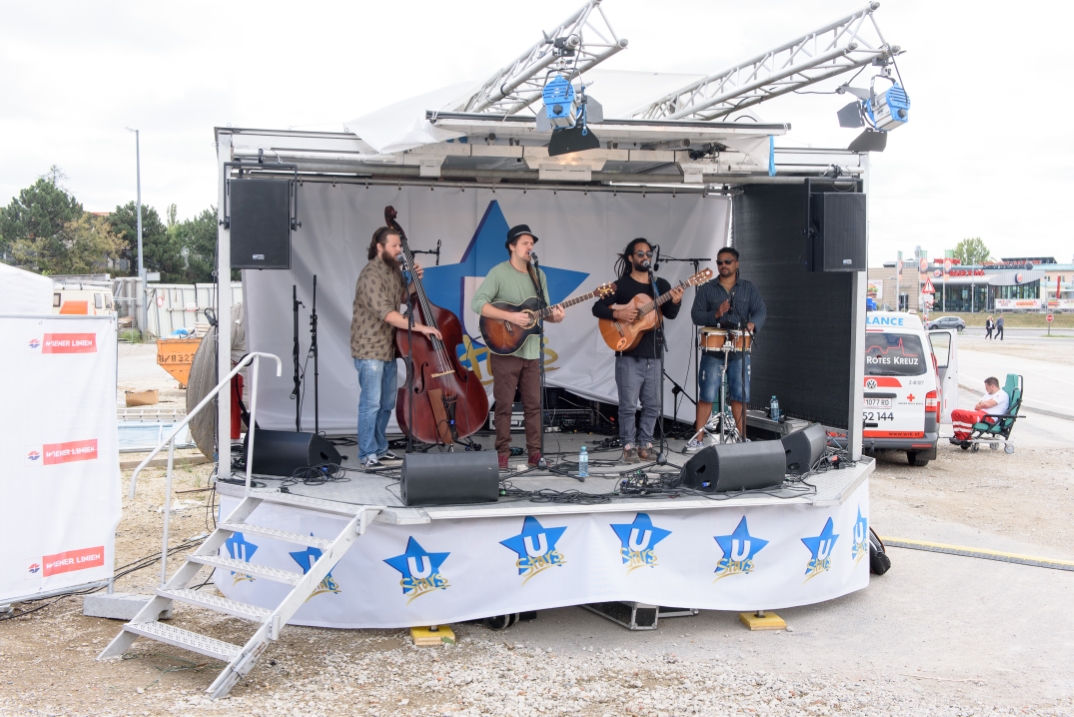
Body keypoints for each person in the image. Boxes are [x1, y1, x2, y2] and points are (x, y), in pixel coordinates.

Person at [472, 225, 565, 470]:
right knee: (503, 405)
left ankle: (535, 453)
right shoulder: (498, 273)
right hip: (505, 348)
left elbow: (544, 312)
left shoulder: (538, 275)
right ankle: (502, 452)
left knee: (534, 404)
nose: (529, 247)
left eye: (531, 243)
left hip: (531, 350)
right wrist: (511, 317)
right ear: (512, 246)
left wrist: (557, 317)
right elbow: (478, 303)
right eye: (525, 243)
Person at [351, 226, 441, 469]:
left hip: (389, 348)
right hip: (370, 348)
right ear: (379, 247)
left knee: (386, 403)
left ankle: (380, 449)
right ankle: (367, 454)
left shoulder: (394, 271)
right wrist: (422, 327)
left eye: (400, 246)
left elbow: (401, 298)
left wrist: (414, 283)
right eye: (394, 246)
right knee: (370, 403)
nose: (399, 250)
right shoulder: (370, 274)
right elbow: (388, 314)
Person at [592, 238, 684, 463]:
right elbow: (597, 307)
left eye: (648, 254)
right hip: (628, 354)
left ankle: (646, 444)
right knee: (628, 406)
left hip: (653, 354)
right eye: (640, 254)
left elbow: (669, 314)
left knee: (653, 405)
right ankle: (628, 446)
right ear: (631, 258)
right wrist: (619, 314)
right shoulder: (621, 285)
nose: (645, 257)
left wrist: (677, 301)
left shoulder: (659, 285)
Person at [686, 246, 766, 451]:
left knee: (740, 395)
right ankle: (698, 439)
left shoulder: (748, 288)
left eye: (727, 262)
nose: (723, 266)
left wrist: (752, 324)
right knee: (706, 394)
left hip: (739, 349)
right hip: (713, 349)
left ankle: (742, 438)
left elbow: (760, 310)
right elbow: (696, 315)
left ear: (736, 264)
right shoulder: (706, 289)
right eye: (719, 262)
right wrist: (715, 314)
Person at [950, 376, 1010, 444]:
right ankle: (959, 436)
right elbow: (976, 407)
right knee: (955, 412)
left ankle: (964, 440)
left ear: (992, 386)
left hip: (989, 417)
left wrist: (984, 403)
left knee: (967, 415)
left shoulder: (1002, 395)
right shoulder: (988, 394)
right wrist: (984, 403)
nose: (985, 389)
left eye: (986, 387)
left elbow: (988, 405)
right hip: (981, 413)